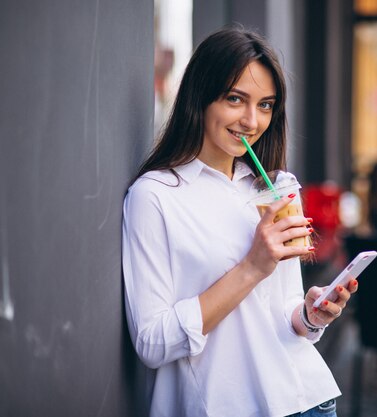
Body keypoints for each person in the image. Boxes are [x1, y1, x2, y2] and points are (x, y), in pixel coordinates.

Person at [122, 26, 357, 417]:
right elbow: (151, 343)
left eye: (265, 105)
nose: (251, 120)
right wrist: (252, 267)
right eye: (236, 99)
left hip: (308, 401)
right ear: (200, 97)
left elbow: (282, 311)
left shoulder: (279, 189)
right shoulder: (156, 196)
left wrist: (310, 315)